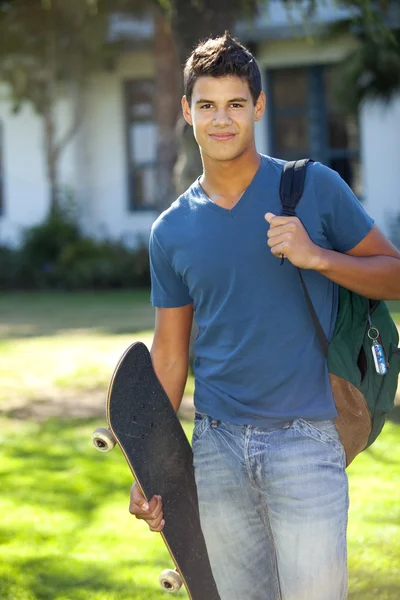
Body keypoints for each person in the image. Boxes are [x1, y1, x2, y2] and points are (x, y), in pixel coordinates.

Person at [129, 33, 400, 600]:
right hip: (217, 448)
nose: (220, 119)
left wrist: (317, 257)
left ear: (258, 106)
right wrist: (148, 467)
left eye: (234, 104)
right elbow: (171, 354)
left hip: (306, 441)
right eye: (206, 105)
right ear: (187, 111)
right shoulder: (171, 230)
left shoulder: (311, 188)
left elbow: (393, 273)